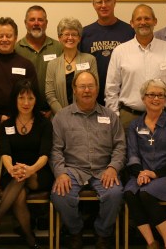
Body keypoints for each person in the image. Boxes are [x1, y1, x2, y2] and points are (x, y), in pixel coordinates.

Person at [0, 79, 53, 249]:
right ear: (14, 99)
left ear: (36, 100)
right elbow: (5, 153)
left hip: (38, 172)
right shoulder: (7, 124)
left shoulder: (44, 123)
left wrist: (30, 169)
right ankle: (30, 238)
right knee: (20, 194)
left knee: (22, 176)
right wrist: (10, 168)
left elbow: (45, 154)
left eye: (30, 98)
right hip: (14, 171)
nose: (25, 103)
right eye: (21, 98)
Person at [50, 71, 125, 249]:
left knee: (115, 194)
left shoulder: (110, 116)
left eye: (90, 86)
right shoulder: (61, 117)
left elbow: (120, 147)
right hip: (73, 170)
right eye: (82, 86)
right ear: (74, 90)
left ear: (97, 89)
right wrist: (60, 173)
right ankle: (75, 231)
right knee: (60, 194)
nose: (86, 90)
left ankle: (103, 234)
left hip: (103, 170)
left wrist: (113, 168)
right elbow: (55, 150)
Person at [123, 79, 166, 249]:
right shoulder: (135, 125)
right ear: (143, 98)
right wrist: (142, 173)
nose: (156, 99)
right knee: (129, 192)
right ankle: (152, 243)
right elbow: (133, 156)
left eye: (160, 95)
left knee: (146, 193)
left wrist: (154, 174)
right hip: (142, 175)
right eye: (151, 94)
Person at [105, 4, 166, 131]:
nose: (143, 22)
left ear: (155, 21)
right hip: (129, 117)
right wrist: (115, 117)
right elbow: (111, 89)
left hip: (163, 117)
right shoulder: (120, 51)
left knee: (163, 151)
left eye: (147, 19)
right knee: (129, 151)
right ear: (132, 23)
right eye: (139, 19)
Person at [0, 17, 42, 124]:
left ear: (15, 38)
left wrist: (20, 118)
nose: (4, 39)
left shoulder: (26, 65)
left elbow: (34, 96)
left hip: (21, 123)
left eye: (9, 36)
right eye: (0, 36)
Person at [80, 0, 135, 104]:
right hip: (93, 97)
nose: (103, 5)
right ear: (93, 5)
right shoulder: (85, 33)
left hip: (123, 98)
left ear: (114, 2)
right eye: (99, 2)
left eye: (107, 1)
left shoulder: (129, 31)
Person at [45, 17, 98, 114]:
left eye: (74, 34)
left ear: (79, 38)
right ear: (60, 38)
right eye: (66, 34)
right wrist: (63, 115)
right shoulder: (52, 65)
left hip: (85, 115)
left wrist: (80, 113)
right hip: (59, 117)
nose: (70, 38)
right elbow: (50, 94)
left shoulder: (90, 60)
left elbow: (94, 89)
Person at [15, 5, 64, 95]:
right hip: (25, 106)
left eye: (40, 20)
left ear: (46, 23)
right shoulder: (16, 49)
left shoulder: (59, 48)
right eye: (32, 20)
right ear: (25, 23)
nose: (36, 23)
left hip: (53, 107)